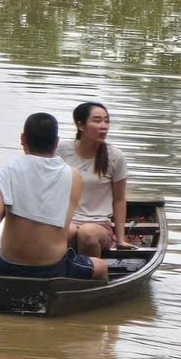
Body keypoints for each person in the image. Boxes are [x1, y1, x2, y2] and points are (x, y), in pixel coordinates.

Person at [0, 111, 108, 281]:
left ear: (23, 139)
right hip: (52, 267)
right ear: (56, 142)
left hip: (7, 267)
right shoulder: (73, 177)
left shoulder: (6, 171)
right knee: (101, 267)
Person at [58, 101, 130, 259]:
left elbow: (119, 199)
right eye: (97, 121)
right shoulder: (61, 150)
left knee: (87, 233)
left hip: (99, 225)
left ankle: (90, 277)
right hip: (66, 220)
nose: (104, 126)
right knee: (68, 232)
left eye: (107, 121)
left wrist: (120, 240)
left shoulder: (115, 156)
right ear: (81, 126)